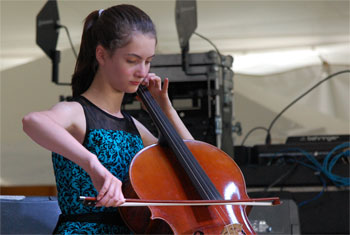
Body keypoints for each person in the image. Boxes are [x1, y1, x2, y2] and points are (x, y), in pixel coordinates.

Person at [22, 4, 193, 234]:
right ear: (102, 54)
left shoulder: (134, 127)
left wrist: (166, 108)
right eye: (132, 60)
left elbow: (194, 162)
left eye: (148, 61)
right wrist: (93, 165)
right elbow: (32, 121)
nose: (142, 71)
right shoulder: (77, 112)